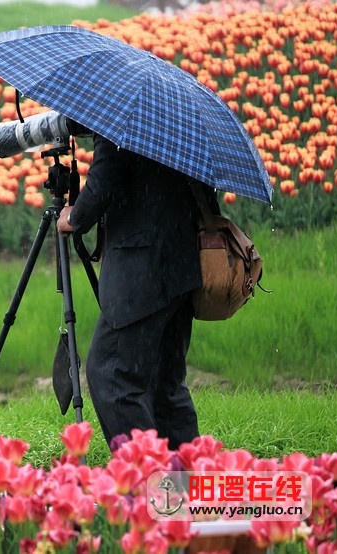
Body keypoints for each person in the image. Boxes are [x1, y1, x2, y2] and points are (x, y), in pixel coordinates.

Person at [56, 127, 219, 451]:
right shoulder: (173, 118)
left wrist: (75, 216)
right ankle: (186, 483)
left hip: (142, 269)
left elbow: (104, 181)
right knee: (166, 385)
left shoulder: (119, 117)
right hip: (183, 265)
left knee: (112, 375)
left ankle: (147, 483)